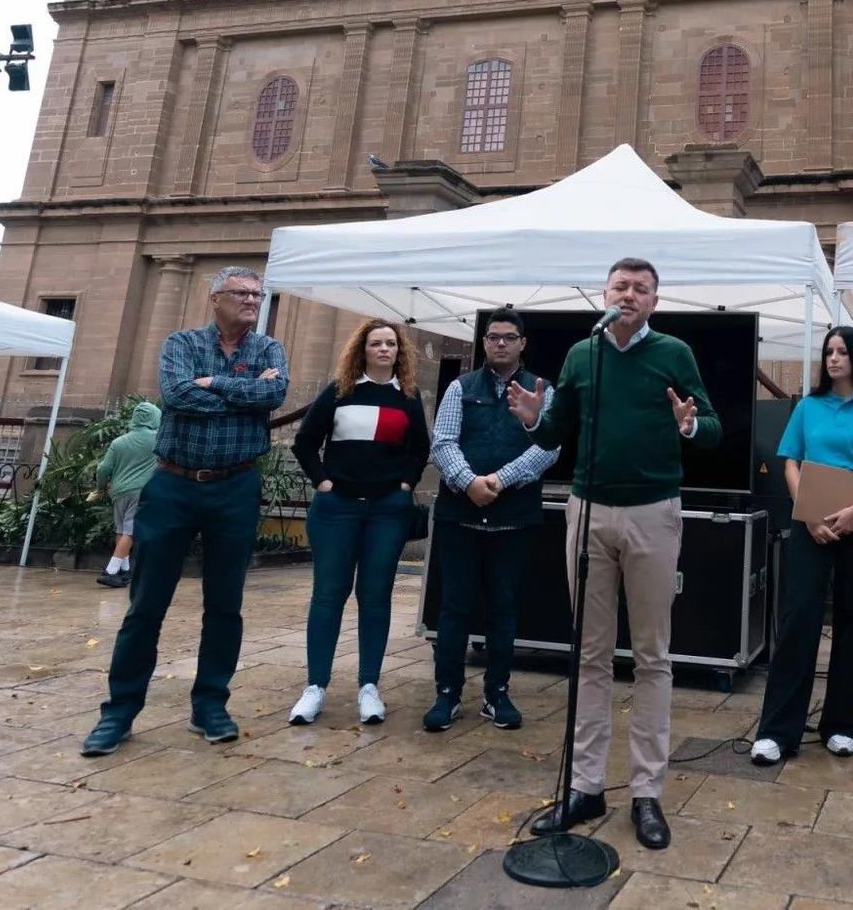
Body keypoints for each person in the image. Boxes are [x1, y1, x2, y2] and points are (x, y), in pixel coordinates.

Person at [508, 258, 721, 852]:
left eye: (641, 289)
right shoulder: (584, 354)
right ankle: (585, 785)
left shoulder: (675, 353)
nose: (629, 295)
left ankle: (647, 791)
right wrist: (534, 421)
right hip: (588, 512)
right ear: (603, 294)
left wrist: (688, 424)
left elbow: (714, 429)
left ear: (655, 301)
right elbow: (557, 431)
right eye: (620, 286)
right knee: (589, 653)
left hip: (653, 512)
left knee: (652, 655)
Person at [82, 265, 288, 757]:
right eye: (242, 293)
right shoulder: (180, 343)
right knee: (146, 603)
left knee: (225, 604)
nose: (253, 301)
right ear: (214, 298)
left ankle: (210, 705)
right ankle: (120, 712)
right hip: (173, 485)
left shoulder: (269, 350)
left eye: (258, 294)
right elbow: (177, 394)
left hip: (236, 486)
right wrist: (242, 393)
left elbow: (274, 394)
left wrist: (212, 384)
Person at [750, 325, 853, 765]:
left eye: (842, 352)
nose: (834, 358)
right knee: (798, 618)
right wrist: (810, 511)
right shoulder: (808, 407)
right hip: (811, 522)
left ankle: (841, 724)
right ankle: (777, 731)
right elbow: (790, 462)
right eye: (829, 352)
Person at [288, 318, 430, 727]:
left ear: (399, 352)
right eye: (376, 344)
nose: (384, 349)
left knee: (375, 596)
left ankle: (369, 686)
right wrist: (323, 481)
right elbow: (304, 442)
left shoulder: (407, 396)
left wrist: (406, 483)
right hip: (337, 509)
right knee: (328, 596)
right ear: (362, 350)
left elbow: (419, 448)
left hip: (387, 510)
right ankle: (315, 687)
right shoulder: (339, 392)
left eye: (390, 344)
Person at [426, 308, 558, 732]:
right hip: (459, 517)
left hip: (513, 520)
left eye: (508, 337)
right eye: (492, 337)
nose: (500, 343)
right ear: (483, 343)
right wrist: (469, 483)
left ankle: (496, 693)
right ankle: (446, 695)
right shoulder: (459, 388)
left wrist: (499, 480)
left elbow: (548, 447)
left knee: (504, 610)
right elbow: (443, 441)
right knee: (454, 610)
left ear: (523, 343)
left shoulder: (542, 390)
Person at [93, 400, 162, 588]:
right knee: (132, 531)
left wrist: (101, 487)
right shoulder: (158, 439)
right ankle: (111, 571)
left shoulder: (119, 442)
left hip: (118, 491)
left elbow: (104, 468)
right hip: (142, 491)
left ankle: (124, 571)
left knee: (122, 530)